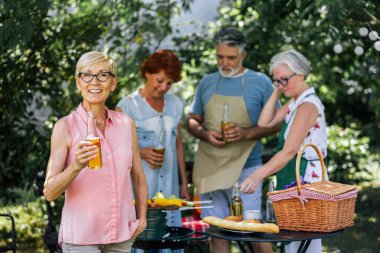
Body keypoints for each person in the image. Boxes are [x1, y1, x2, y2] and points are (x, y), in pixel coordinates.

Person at [43, 51, 148, 253]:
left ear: (113, 83)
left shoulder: (126, 123)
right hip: (82, 238)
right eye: (87, 75)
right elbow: (49, 192)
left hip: (121, 235)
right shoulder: (65, 127)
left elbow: (137, 176)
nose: (95, 81)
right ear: (78, 82)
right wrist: (76, 166)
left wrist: (142, 216)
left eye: (103, 75)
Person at [187, 27, 280, 253]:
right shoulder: (207, 82)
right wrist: (204, 133)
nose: (225, 63)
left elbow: (276, 124)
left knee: (255, 233)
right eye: (220, 57)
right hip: (211, 168)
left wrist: (247, 133)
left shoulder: (260, 83)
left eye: (231, 57)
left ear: (243, 55)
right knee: (216, 235)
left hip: (246, 169)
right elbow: (192, 120)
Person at [240, 49, 328, 253]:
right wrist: (277, 91)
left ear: (301, 74)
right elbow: (264, 122)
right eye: (276, 80)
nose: (281, 85)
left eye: (285, 80)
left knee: (306, 241)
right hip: (295, 175)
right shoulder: (295, 102)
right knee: (294, 240)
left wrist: (257, 175)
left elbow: (289, 151)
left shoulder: (307, 105)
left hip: (307, 178)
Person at [116, 50, 190, 233]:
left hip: (170, 190)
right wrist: (141, 152)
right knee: (143, 238)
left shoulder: (176, 104)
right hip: (141, 190)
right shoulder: (126, 106)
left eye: (169, 83)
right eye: (160, 80)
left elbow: (178, 145)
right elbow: (116, 148)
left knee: (170, 238)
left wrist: (184, 184)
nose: (164, 87)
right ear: (148, 73)